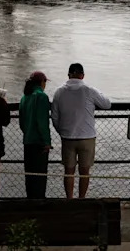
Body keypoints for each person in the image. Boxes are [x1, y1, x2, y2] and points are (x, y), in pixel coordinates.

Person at [51, 63, 112, 199]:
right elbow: (107, 104)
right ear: (82, 75)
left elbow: (54, 116)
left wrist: (61, 131)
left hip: (67, 137)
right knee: (84, 171)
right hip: (87, 137)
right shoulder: (89, 90)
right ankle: (82, 199)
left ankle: (70, 200)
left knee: (69, 172)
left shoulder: (59, 92)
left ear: (68, 75)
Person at [20, 71, 52, 199]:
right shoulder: (42, 97)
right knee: (40, 176)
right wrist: (47, 142)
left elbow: (22, 122)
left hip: (27, 140)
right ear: (42, 82)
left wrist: (27, 132)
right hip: (39, 142)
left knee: (30, 175)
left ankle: (30, 202)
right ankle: (39, 203)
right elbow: (42, 122)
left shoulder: (24, 97)